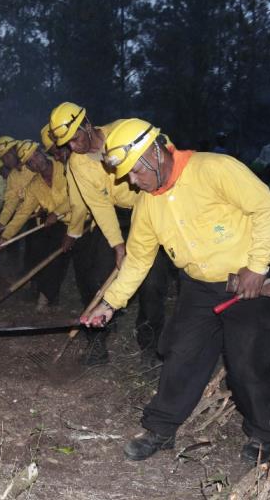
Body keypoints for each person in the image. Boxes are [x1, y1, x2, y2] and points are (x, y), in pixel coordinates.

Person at [81, 118, 270, 464]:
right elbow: (137, 260)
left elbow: (267, 208)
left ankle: (264, 434)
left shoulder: (215, 169)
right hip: (198, 289)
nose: (132, 182)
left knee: (248, 365)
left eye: (134, 172)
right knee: (181, 356)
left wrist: (258, 265)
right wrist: (109, 304)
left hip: (247, 286)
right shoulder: (149, 203)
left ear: (153, 154)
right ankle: (161, 430)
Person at [48, 104, 171, 367]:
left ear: (87, 124)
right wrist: (118, 246)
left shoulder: (124, 131)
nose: (73, 147)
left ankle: (149, 347)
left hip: (151, 208)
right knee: (97, 276)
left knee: (152, 282)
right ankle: (97, 341)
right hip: (118, 217)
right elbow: (99, 206)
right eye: (66, 143)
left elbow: (164, 155)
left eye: (75, 138)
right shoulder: (78, 164)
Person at [0, 140, 73, 311]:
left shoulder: (66, 168)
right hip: (58, 224)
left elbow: (76, 197)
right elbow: (22, 213)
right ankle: (45, 297)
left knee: (85, 268)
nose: (36, 162)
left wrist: (56, 212)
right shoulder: (34, 186)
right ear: (29, 167)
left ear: (42, 152)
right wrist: (5, 236)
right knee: (48, 256)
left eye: (36, 155)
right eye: (30, 162)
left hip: (82, 220)